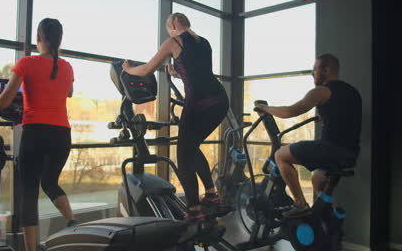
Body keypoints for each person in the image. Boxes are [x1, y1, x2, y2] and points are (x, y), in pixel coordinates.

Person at [122, 13, 229, 221]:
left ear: (172, 26)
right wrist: (176, 73)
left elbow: (146, 69)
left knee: (183, 158)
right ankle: (211, 195)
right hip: (219, 100)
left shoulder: (173, 41)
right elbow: (200, 74)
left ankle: (194, 211)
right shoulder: (203, 42)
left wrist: (127, 69)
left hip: (198, 103)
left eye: (168, 29)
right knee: (192, 146)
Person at [0, 18, 76, 251]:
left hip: (36, 132)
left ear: (38, 38)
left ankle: (31, 249)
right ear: (60, 39)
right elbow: (69, 92)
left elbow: (3, 102)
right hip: (62, 135)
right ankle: (73, 223)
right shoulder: (67, 66)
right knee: (50, 182)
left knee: (29, 191)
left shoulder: (26, 63)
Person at [255, 53, 362, 218]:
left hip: (330, 150)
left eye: (314, 69)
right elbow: (344, 115)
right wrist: (323, 116)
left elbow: (288, 111)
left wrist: (266, 108)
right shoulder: (353, 92)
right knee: (316, 179)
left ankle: (300, 204)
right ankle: (331, 214)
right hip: (350, 154)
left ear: (325, 71)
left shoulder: (322, 91)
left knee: (280, 155)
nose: (312, 73)